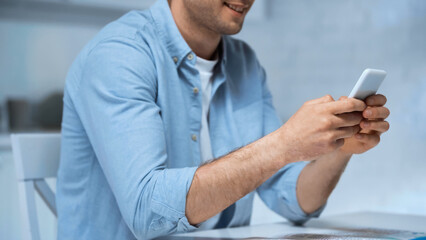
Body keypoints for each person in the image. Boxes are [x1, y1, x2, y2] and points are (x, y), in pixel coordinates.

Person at [56, 0, 391, 239]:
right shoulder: (120, 54)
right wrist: (283, 145)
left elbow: (291, 200)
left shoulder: (243, 63)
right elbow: (147, 211)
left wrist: (341, 148)